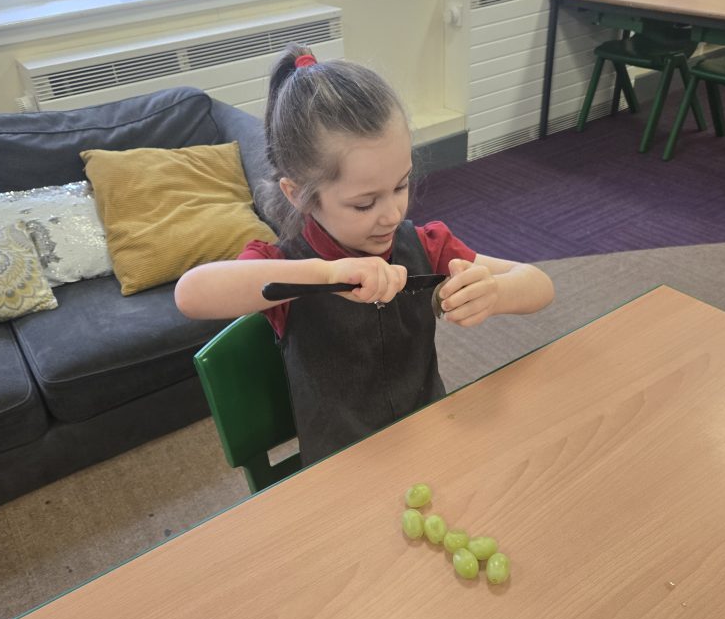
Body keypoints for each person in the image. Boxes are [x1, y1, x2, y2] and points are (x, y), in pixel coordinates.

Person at [175, 45, 554, 466]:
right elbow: (191, 294)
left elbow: (539, 284)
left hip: (432, 443)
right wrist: (324, 274)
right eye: (364, 203)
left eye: (401, 185)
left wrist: (495, 294)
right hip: (343, 469)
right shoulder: (285, 265)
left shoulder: (424, 245)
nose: (392, 214)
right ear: (298, 194)